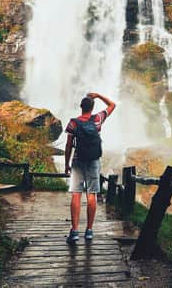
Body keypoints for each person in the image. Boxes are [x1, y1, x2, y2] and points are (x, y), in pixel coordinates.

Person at [64, 92, 116, 244]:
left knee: (76, 194)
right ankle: (89, 231)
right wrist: (99, 96)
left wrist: (67, 164)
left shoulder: (73, 123)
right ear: (92, 108)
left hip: (78, 160)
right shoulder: (98, 119)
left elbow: (68, 145)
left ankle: (74, 231)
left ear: (81, 107)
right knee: (91, 194)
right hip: (93, 161)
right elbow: (112, 105)